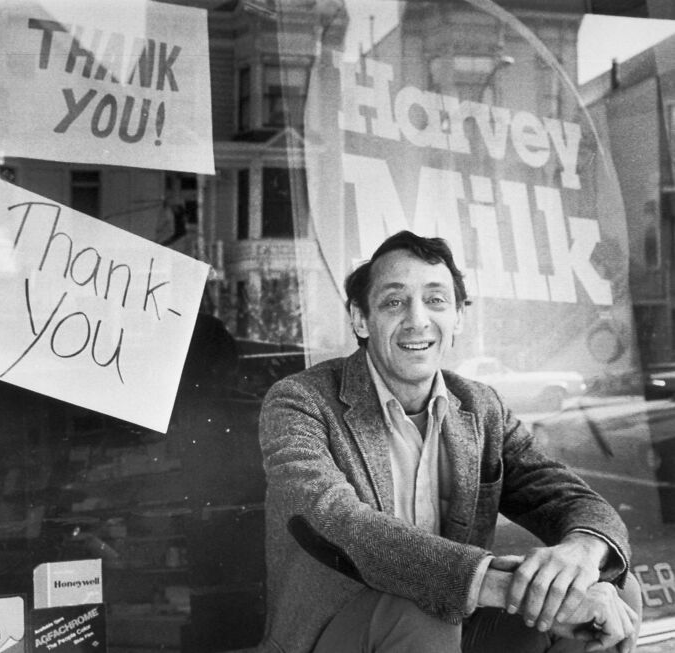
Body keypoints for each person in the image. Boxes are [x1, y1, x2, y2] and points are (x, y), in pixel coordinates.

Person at [258, 230, 641, 653]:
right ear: (360, 319)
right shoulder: (300, 401)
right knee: (425, 609)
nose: (417, 319)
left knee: (615, 594)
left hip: (453, 625)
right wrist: (505, 585)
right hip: (335, 632)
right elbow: (339, 523)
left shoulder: (480, 406)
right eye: (393, 301)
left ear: (458, 316)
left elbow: (567, 496)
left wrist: (582, 556)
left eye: (436, 300)